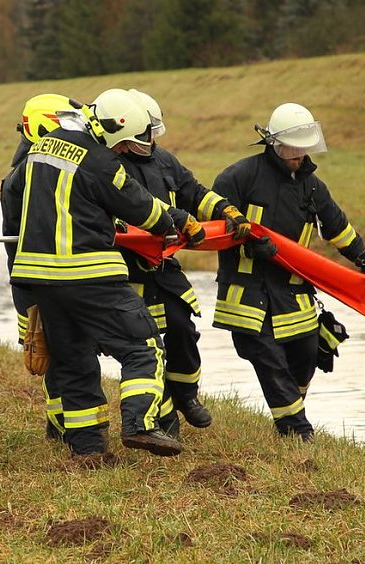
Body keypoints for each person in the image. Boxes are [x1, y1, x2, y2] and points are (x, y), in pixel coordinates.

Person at [6, 88, 182, 460]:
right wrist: (172, 220)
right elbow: (141, 208)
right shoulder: (100, 161)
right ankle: (140, 424)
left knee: (72, 359)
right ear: (112, 130)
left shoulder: (42, 147)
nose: (123, 151)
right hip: (89, 274)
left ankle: (88, 449)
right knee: (143, 347)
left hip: (40, 280)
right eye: (124, 144)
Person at [211, 102, 365, 441]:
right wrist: (249, 241)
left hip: (292, 292)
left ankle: (291, 413)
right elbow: (214, 224)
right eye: (293, 150)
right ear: (274, 145)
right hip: (247, 293)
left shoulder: (312, 186)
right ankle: (297, 431)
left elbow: (338, 228)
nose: (299, 157)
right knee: (268, 358)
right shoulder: (239, 177)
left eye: (304, 150)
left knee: (307, 353)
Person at [117, 89, 252, 437]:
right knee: (147, 344)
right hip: (128, 269)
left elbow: (195, 191)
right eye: (144, 135)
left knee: (183, 329)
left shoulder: (165, 161)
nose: (149, 141)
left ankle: (186, 396)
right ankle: (164, 418)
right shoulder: (112, 164)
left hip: (165, 268)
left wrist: (224, 210)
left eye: (152, 134)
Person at [0, 93, 73, 443]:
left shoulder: (33, 166)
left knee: (64, 352)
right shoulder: (27, 175)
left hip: (45, 278)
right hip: (35, 282)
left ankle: (59, 422)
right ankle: (60, 425)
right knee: (52, 353)